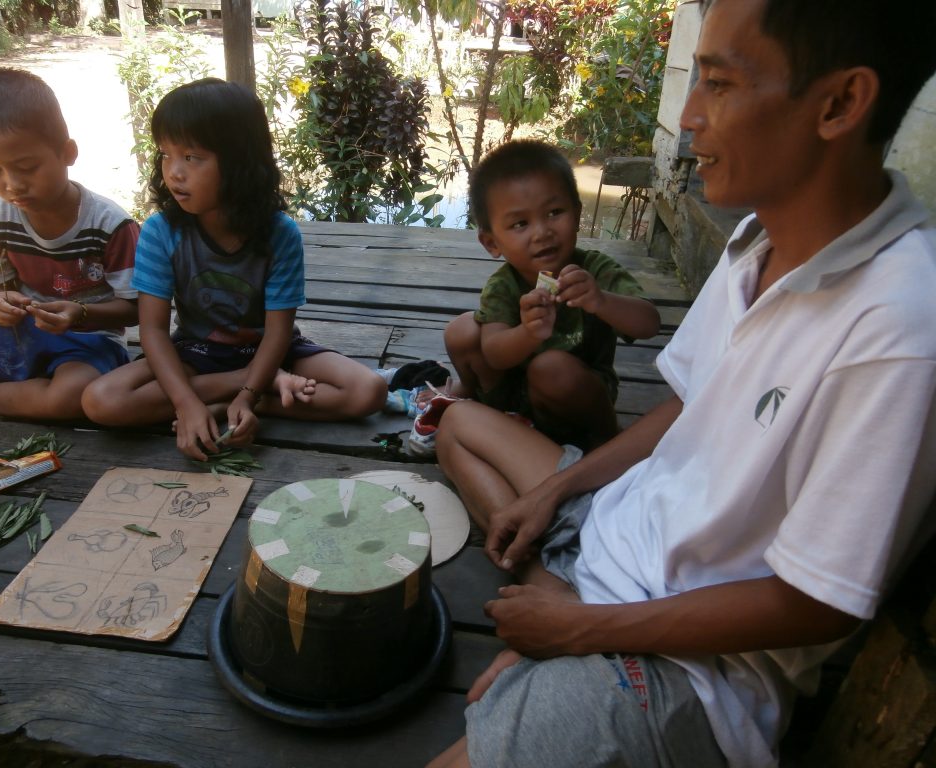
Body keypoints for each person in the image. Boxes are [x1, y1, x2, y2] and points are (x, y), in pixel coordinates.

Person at [428, 0, 936, 766]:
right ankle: (551, 581)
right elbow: (688, 407)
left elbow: (817, 604)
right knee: (458, 426)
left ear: (838, 104)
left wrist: (581, 635)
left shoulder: (899, 328)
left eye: (720, 83)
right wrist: (554, 494)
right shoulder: (756, 241)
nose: (690, 118)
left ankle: (555, 610)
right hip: (620, 529)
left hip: (689, 667)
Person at [82, 78, 386, 460]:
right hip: (196, 352)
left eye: (191, 157)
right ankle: (253, 389)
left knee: (369, 391)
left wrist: (246, 398)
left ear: (240, 160)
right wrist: (186, 403)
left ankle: (237, 401)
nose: (173, 172)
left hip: (274, 352)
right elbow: (154, 331)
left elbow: (277, 332)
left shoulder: (279, 233)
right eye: (166, 154)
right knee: (100, 401)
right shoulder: (162, 231)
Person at [0, 67, 139, 460]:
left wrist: (80, 314)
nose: (11, 184)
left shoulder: (109, 224)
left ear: (67, 153)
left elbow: (135, 307)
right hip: (17, 331)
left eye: (26, 167)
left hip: (91, 338)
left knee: (71, 398)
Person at [411, 140, 660, 456]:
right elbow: (495, 354)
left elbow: (649, 324)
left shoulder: (594, 270)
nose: (542, 232)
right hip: (515, 391)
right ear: (491, 243)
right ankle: (476, 400)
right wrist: (528, 333)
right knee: (461, 330)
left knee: (550, 367)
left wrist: (601, 301)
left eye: (555, 212)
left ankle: (607, 439)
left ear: (577, 213)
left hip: (575, 395)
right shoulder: (504, 285)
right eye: (520, 224)